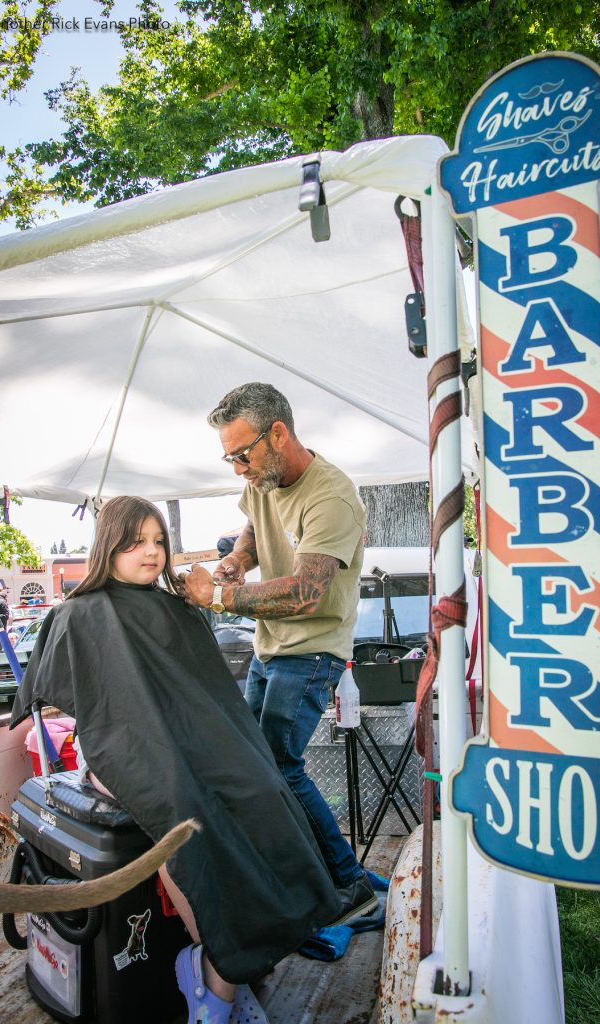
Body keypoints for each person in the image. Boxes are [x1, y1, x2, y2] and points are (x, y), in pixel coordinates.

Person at [10, 496, 342, 1024]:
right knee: (188, 817)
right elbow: (82, 704)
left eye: (159, 541)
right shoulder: (79, 614)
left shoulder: (178, 609)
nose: (152, 552)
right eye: (136, 541)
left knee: (262, 790)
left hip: (190, 741)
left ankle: (240, 957)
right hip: (127, 753)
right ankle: (219, 984)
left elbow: (203, 699)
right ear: (108, 545)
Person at [183, 382, 377, 922]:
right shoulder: (262, 479)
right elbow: (251, 527)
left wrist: (219, 595)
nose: (237, 469)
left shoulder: (331, 497)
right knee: (254, 758)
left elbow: (303, 592)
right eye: (229, 457)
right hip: (272, 647)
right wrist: (237, 562)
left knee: (281, 765)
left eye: (242, 454)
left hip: (313, 650)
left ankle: (349, 883)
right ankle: (303, 865)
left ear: (278, 433)